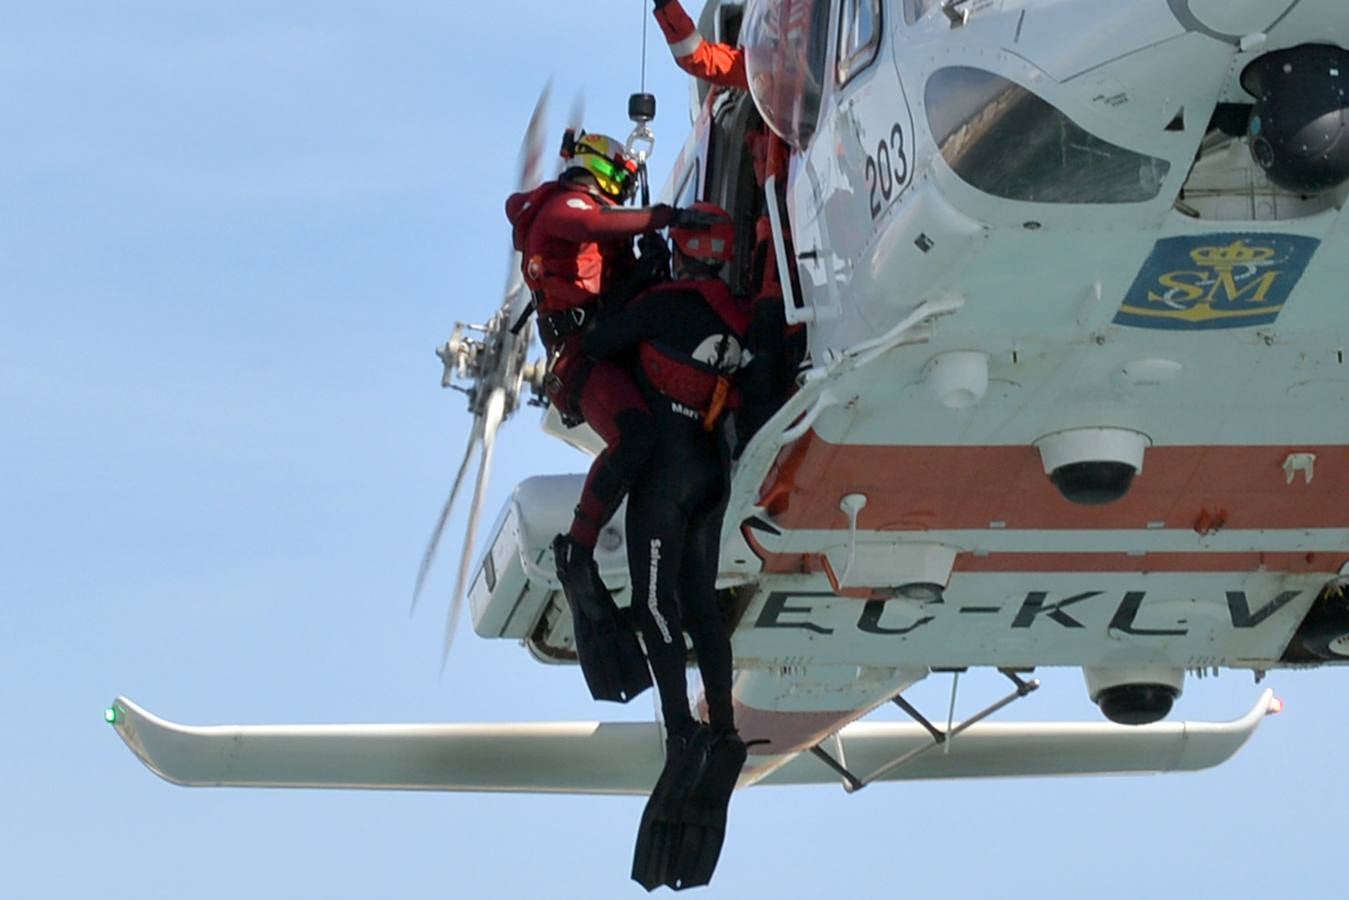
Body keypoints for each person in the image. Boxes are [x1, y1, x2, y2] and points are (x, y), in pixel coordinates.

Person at [581, 203, 751, 890]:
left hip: (665, 479)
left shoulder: (665, 305)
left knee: (656, 604)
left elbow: (596, 347)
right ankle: (727, 725)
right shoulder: (738, 315)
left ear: (680, 252)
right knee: (700, 606)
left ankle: (682, 728)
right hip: (714, 475)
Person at [506, 128, 678, 702]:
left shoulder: (598, 226)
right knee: (632, 437)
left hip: (611, 346)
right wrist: (663, 217)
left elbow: (617, 273)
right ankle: (577, 548)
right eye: (619, 184)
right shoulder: (563, 207)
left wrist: (653, 263)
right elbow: (591, 225)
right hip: (583, 360)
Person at [652, 0, 805, 449]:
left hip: (821, 214)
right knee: (767, 333)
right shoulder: (770, 71)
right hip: (780, 233)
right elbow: (697, 57)